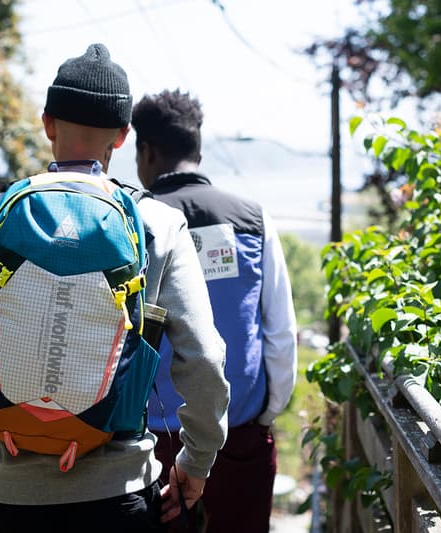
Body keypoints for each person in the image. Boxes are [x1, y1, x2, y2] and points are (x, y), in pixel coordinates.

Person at [0, 45, 229, 532]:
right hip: (119, 494)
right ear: (123, 135)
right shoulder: (157, 225)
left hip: (8, 496)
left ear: (47, 123)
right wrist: (195, 464)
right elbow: (203, 359)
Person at [132, 89, 298, 533]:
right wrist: (264, 415)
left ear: (144, 151)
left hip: (151, 445)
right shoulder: (253, 219)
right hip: (238, 435)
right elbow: (279, 333)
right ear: (198, 151)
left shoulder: (130, 222)